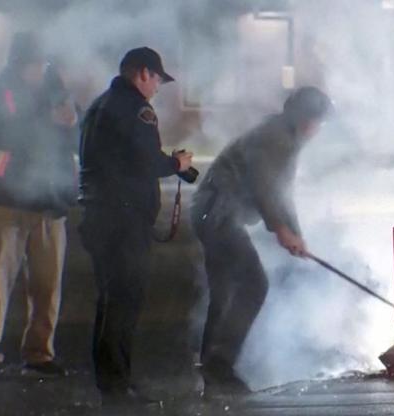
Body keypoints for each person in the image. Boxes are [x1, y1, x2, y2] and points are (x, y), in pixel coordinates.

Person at [190, 86, 332, 393]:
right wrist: (281, 229)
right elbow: (264, 187)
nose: (318, 129)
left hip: (212, 212)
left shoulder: (285, 138)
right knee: (254, 284)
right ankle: (220, 365)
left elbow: (283, 195)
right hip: (219, 214)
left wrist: (296, 234)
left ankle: (210, 365)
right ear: (302, 117)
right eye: (316, 121)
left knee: (224, 290)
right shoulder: (275, 138)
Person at [77, 47, 193, 404]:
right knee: (125, 301)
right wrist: (177, 163)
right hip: (124, 221)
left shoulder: (100, 105)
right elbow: (145, 161)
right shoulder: (137, 109)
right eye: (157, 78)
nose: (158, 86)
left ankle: (109, 380)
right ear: (143, 73)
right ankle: (117, 384)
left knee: (110, 301)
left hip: (99, 215)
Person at [0, 32, 77, 380]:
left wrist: (64, 119)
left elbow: (70, 129)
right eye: (34, 63)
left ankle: (39, 353)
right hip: (6, 202)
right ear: (18, 63)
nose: (39, 69)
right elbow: (4, 132)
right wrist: (50, 121)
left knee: (48, 285)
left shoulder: (54, 87)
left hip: (48, 202)